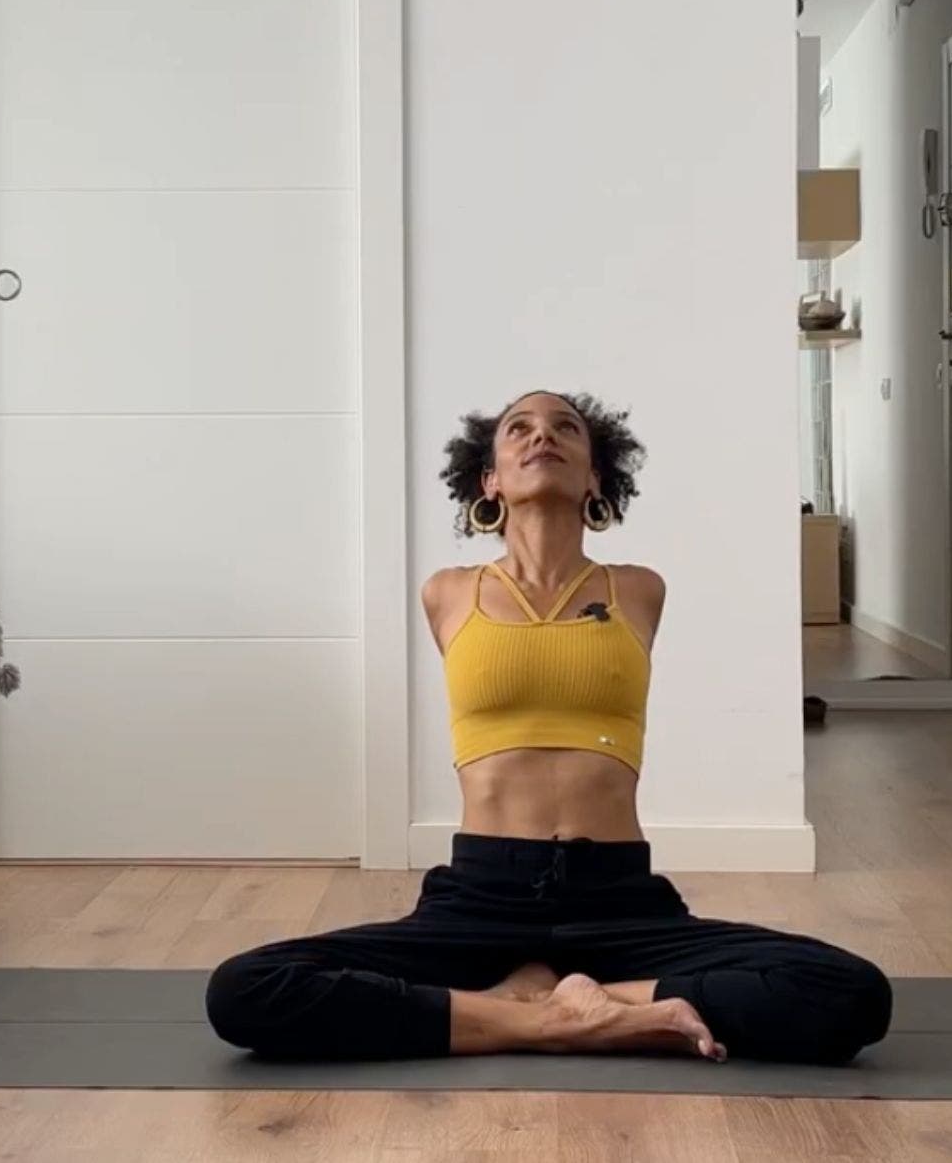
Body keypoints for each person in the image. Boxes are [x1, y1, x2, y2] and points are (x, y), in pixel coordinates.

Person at [204, 391, 892, 1063]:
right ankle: (552, 1019)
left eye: (565, 428)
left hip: (619, 897)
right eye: (520, 429)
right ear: (490, 479)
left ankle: (567, 999)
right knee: (244, 990)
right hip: (481, 896)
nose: (543, 436)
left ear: (595, 475)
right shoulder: (449, 592)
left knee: (852, 993)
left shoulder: (638, 589)